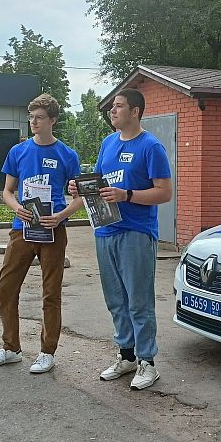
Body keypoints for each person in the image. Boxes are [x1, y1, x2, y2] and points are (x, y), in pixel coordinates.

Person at [71, 89, 172, 391]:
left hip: (136, 233)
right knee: (116, 300)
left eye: (118, 106)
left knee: (138, 301)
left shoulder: (150, 146)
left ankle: (147, 362)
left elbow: (164, 192)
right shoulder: (108, 143)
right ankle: (126, 356)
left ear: (135, 112)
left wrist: (127, 194)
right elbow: (99, 183)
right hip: (105, 231)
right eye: (112, 107)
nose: (112, 112)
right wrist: (80, 189)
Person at [0, 94, 82, 374]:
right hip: (23, 229)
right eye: (31, 117)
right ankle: (11, 348)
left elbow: (80, 197)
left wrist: (61, 216)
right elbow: (7, 191)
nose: (33, 122)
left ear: (52, 120)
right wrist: (17, 209)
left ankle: (47, 352)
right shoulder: (19, 151)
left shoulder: (67, 155)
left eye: (39, 118)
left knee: (51, 293)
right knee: (6, 288)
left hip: (53, 229)